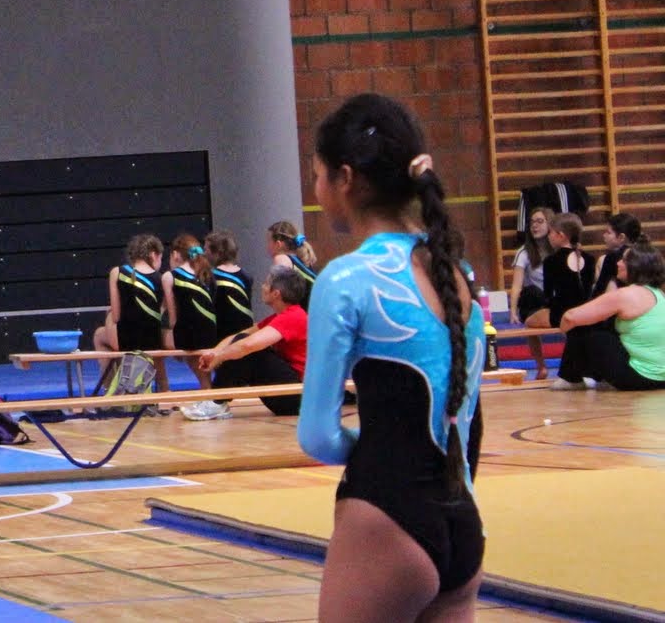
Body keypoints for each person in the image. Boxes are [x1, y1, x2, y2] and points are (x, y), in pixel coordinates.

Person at [300, 93, 487, 623]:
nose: (316, 192)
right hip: (463, 522)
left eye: (317, 176)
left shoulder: (346, 278)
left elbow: (317, 436)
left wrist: (383, 443)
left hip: (387, 516)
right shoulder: (456, 273)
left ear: (345, 178)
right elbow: (466, 422)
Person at [182, 270, 309, 420]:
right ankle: (216, 400)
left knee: (249, 351)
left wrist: (220, 357)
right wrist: (214, 353)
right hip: (291, 395)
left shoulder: (294, 316)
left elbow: (248, 345)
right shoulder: (280, 317)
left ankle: (217, 402)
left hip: (298, 398)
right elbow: (237, 336)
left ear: (276, 293)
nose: (262, 287)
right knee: (240, 342)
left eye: (266, 284)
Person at [555, 242, 665, 391]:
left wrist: (564, 332)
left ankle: (571, 379)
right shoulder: (659, 294)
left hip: (638, 378)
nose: (618, 263)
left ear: (635, 266)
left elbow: (570, 317)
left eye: (623, 260)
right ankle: (596, 378)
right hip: (662, 379)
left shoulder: (626, 294)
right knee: (606, 327)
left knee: (582, 327)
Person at [93, 234, 171, 392]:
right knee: (151, 336)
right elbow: (161, 314)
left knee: (100, 333)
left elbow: (116, 316)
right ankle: (164, 388)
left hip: (127, 341)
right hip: (153, 341)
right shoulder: (162, 278)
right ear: (154, 255)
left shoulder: (117, 272)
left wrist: (110, 314)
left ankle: (110, 387)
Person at [520, 213, 594, 328]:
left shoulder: (551, 260)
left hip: (560, 316)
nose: (548, 236)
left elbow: (548, 296)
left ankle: (536, 341)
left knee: (528, 321)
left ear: (561, 235)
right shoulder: (590, 259)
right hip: (584, 314)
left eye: (550, 232)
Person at [165, 235, 220, 357]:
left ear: (175, 254)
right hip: (211, 333)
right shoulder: (207, 274)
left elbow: (172, 320)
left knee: (159, 334)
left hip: (187, 337)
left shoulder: (169, 276)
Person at [205, 230, 255, 344]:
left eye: (206, 250)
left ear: (216, 253)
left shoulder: (211, 277)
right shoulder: (246, 276)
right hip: (245, 333)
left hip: (221, 335)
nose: (204, 254)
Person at [508, 207, 552, 323]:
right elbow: (516, 286)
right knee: (532, 291)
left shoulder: (557, 250)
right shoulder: (523, 252)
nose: (534, 226)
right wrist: (513, 312)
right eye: (532, 222)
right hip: (534, 302)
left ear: (550, 224)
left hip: (553, 301)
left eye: (540, 221)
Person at [592, 214, 645, 299]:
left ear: (621, 237)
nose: (604, 235)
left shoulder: (612, 258)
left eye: (608, 232)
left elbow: (600, 290)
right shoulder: (644, 254)